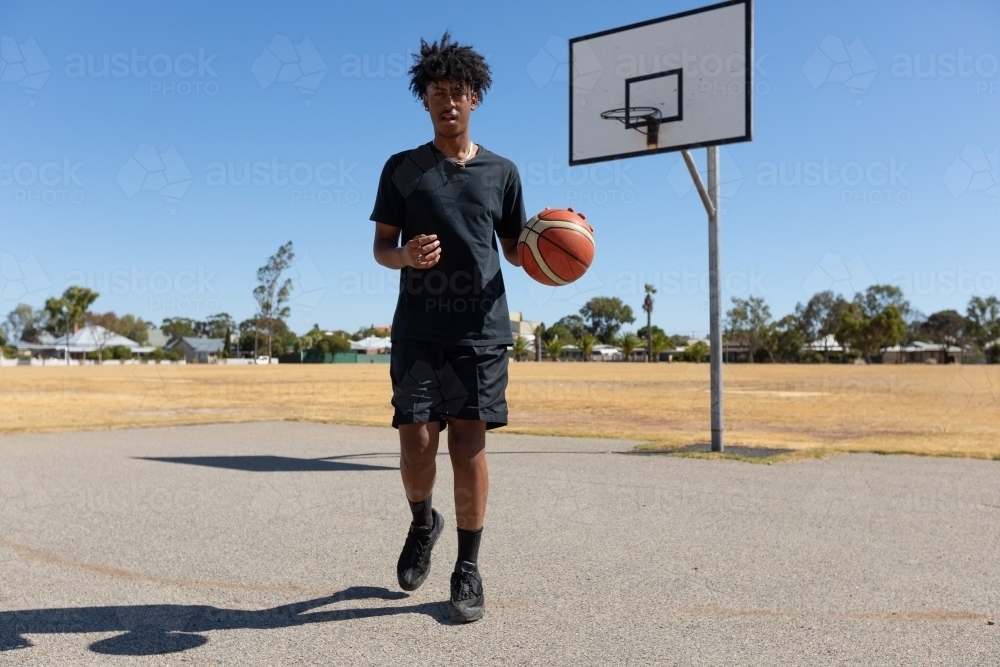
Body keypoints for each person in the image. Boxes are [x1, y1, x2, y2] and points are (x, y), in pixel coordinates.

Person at [369, 32, 525, 624]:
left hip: (481, 329)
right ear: (425, 101)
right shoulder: (403, 169)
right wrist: (405, 257)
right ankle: (421, 522)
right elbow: (382, 247)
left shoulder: (502, 173)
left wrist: (548, 247)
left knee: (469, 446)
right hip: (417, 328)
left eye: (458, 92)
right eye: (437, 94)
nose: (448, 102)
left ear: (475, 98)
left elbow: (514, 251)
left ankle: (468, 568)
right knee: (415, 445)